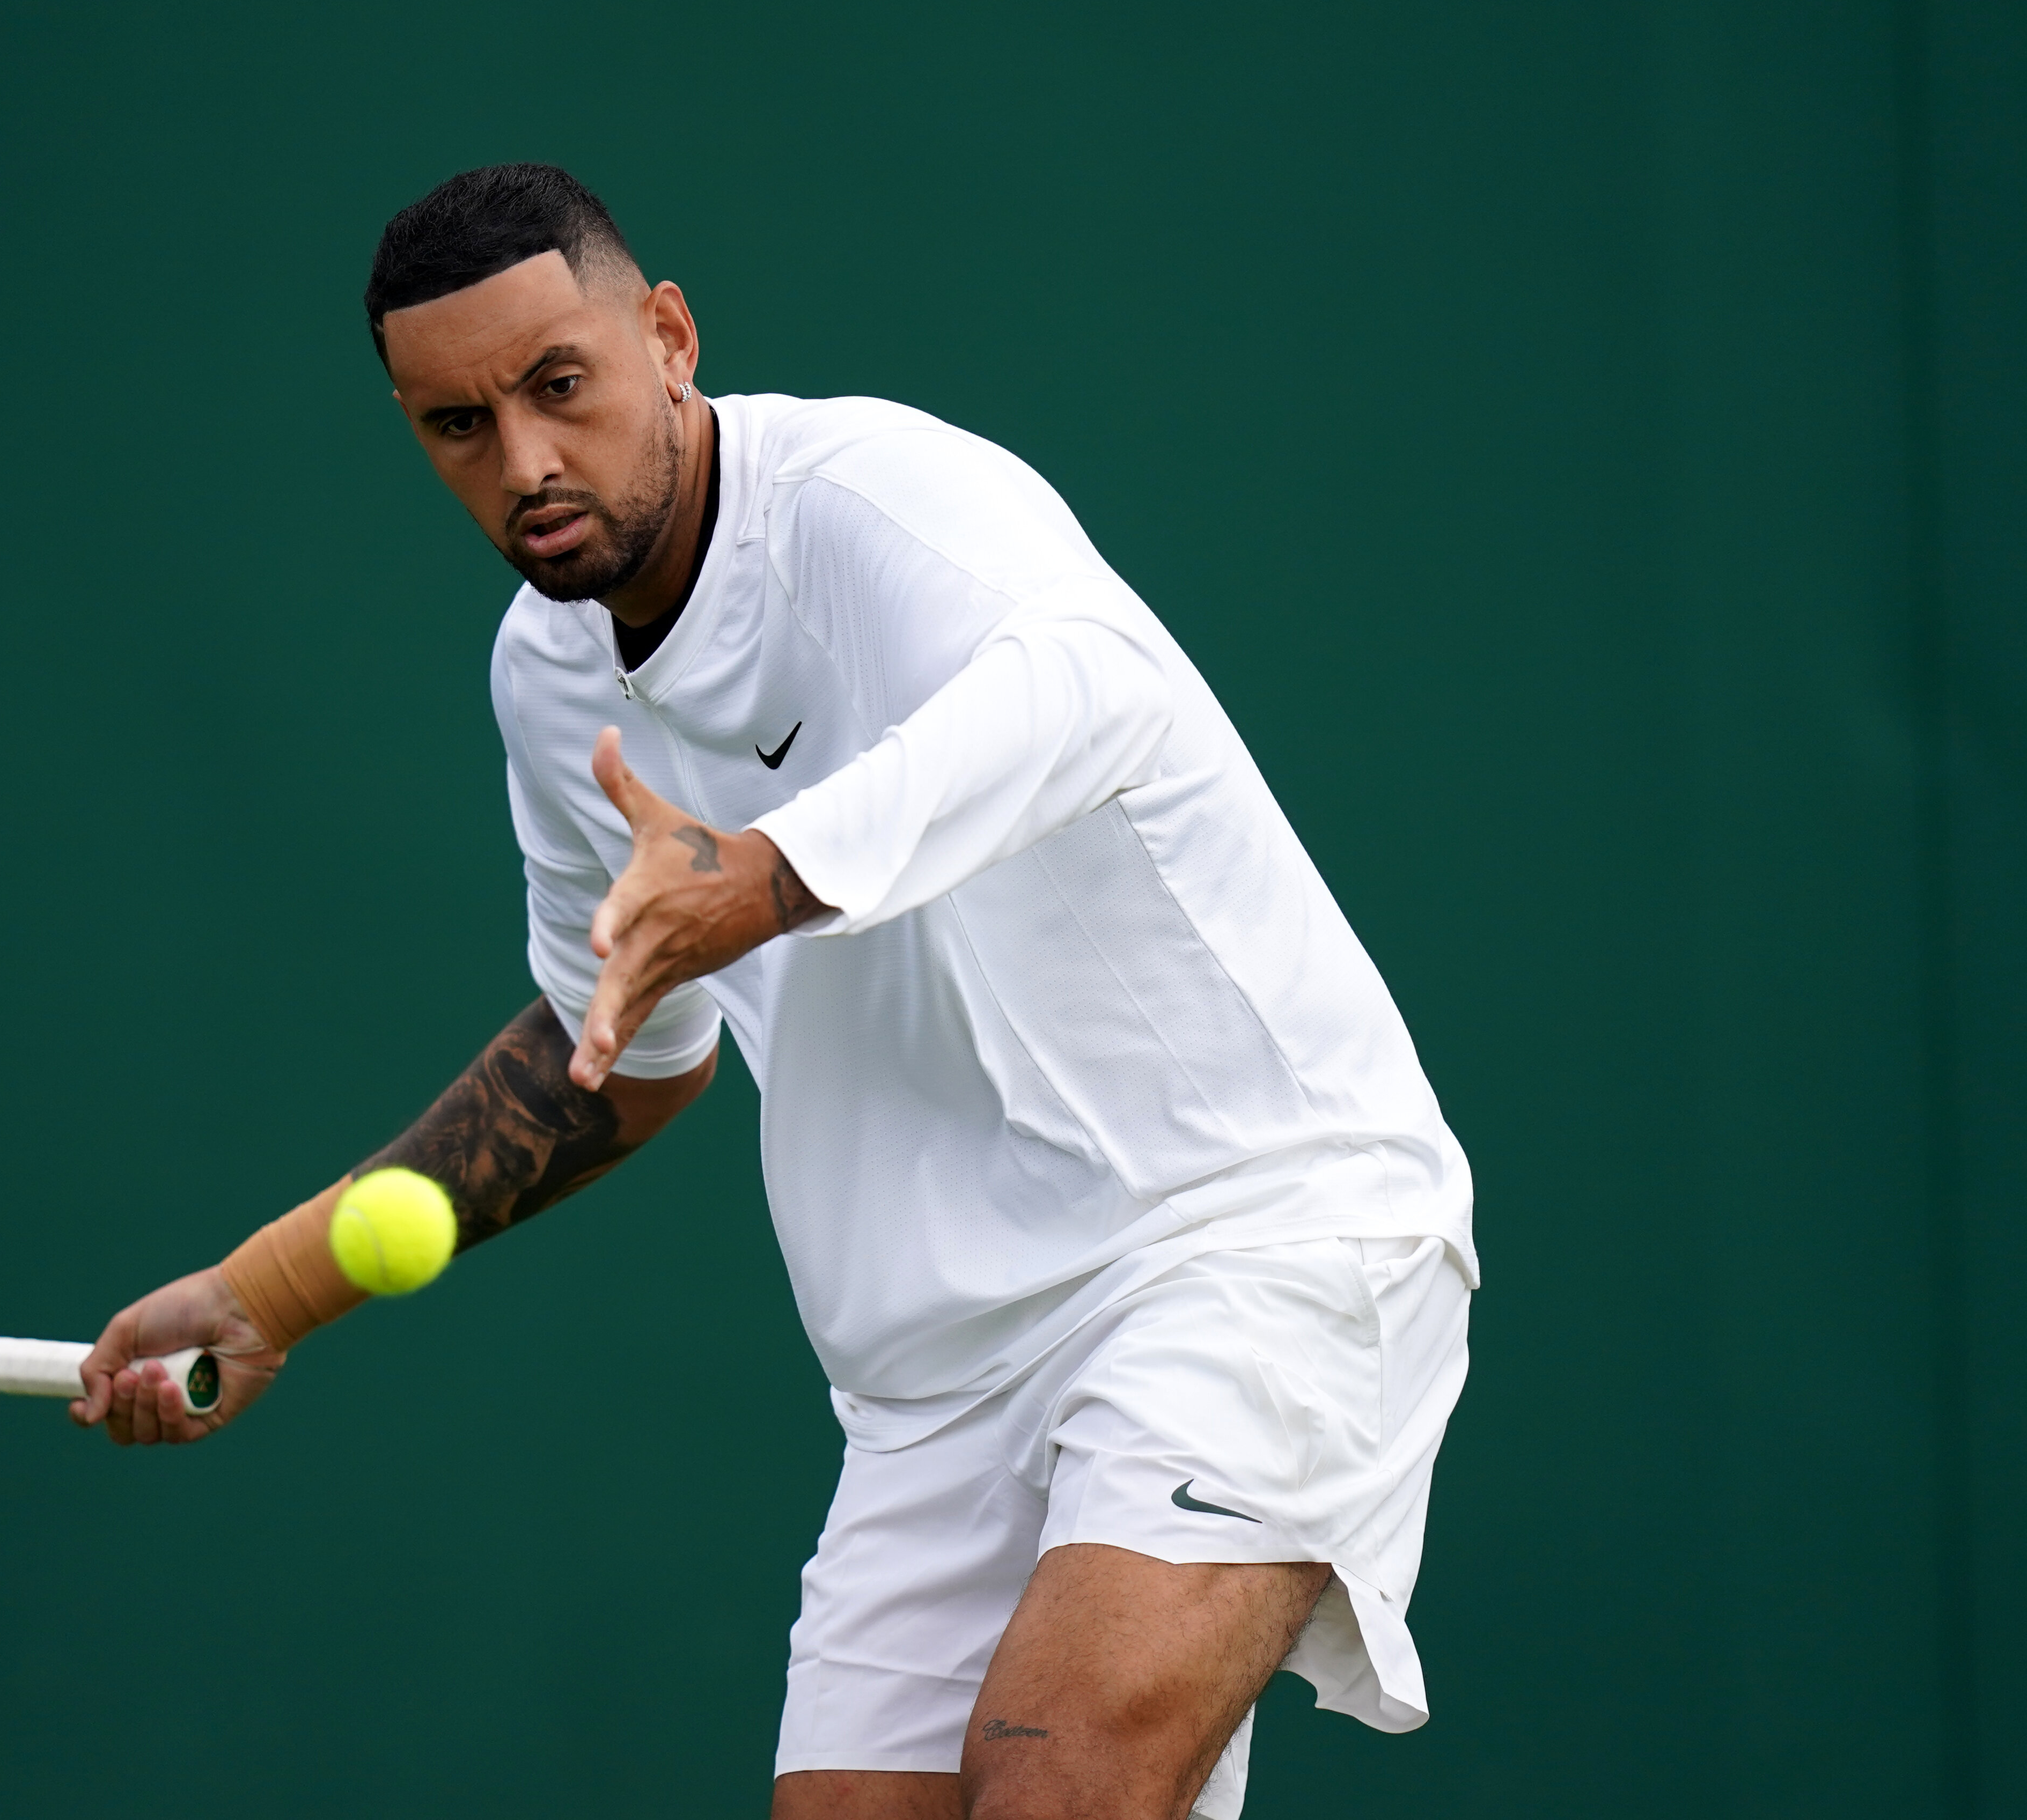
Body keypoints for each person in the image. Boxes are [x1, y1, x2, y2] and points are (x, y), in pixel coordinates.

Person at [72, 163, 1476, 1820]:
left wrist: (765, 876)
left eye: (558, 387)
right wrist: (273, 1289)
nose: (522, 462)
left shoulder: (876, 501)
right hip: (935, 1382)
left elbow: (1092, 689)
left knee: (1065, 1777)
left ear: (668, 336)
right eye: (457, 426)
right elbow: (627, 1058)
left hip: (1246, 1236)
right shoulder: (548, 678)